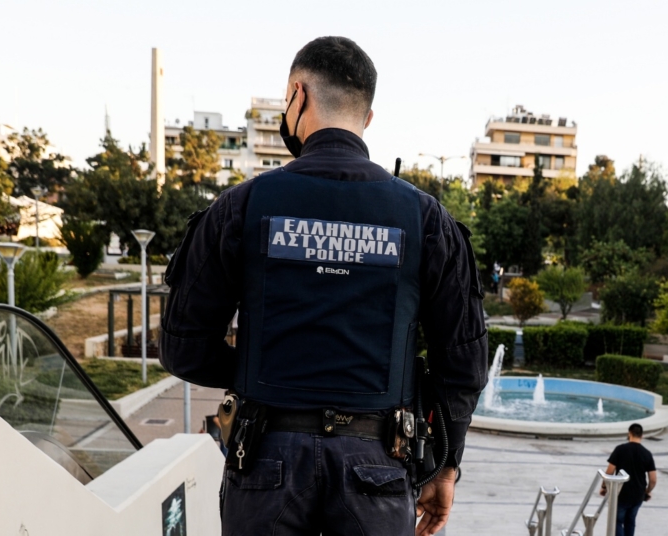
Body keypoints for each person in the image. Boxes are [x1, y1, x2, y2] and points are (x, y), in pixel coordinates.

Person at [159, 36, 487, 536]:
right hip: (378, 468)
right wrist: (445, 468)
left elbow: (183, 348)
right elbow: (463, 366)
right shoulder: (426, 220)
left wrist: (264, 369)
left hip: (264, 463)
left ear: (297, 95)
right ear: (367, 117)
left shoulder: (240, 207)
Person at [601, 423, 657, 536]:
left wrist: (604, 487)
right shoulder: (647, 453)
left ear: (629, 433)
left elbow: (609, 472)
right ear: (642, 436)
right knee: (630, 522)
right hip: (638, 495)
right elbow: (653, 479)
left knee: (617, 521)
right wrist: (647, 491)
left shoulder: (620, 449)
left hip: (621, 493)